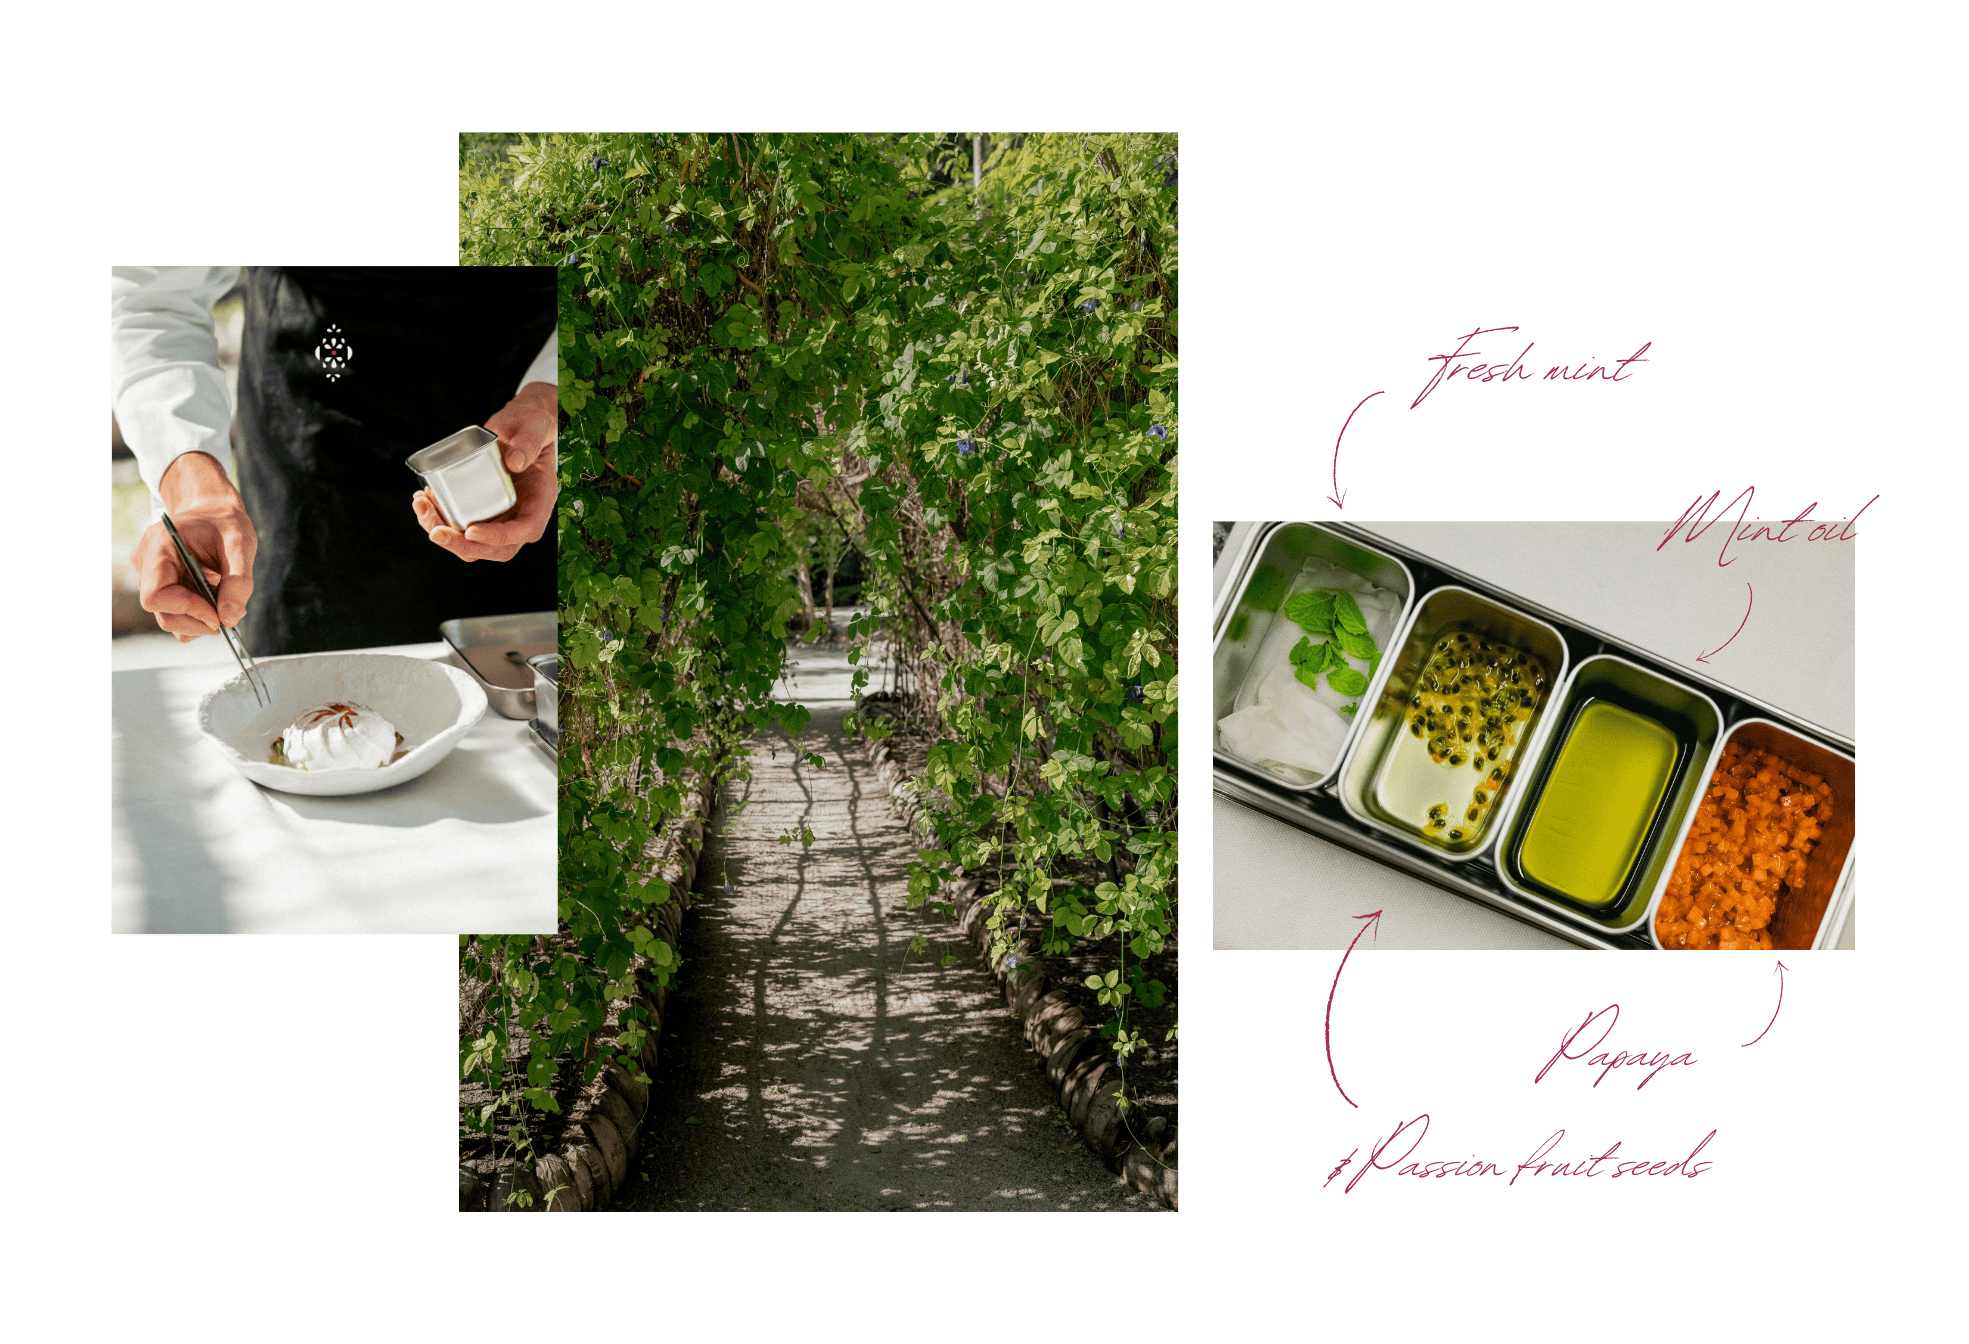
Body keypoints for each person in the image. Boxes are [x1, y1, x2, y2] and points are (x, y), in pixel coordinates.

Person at [110, 266, 559, 655]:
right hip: (317, 442)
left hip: (526, 442)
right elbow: (154, 301)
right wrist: (191, 485)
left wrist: (556, 392)